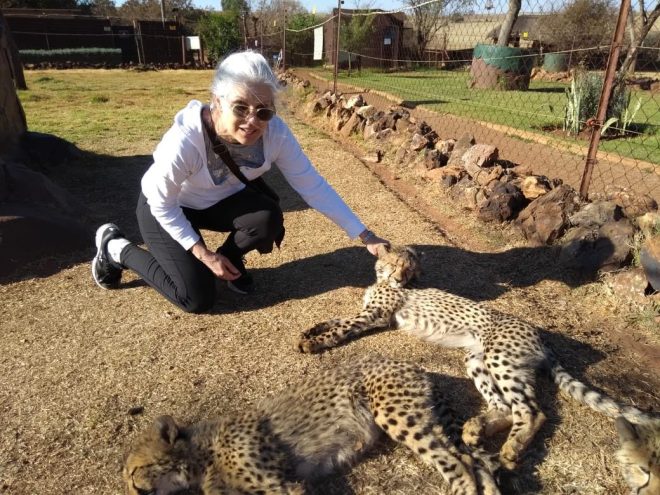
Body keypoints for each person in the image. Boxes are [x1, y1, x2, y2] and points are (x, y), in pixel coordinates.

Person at [91, 50, 388, 314]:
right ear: (217, 101)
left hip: (217, 201)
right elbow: (162, 202)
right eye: (240, 107)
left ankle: (230, 262)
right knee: (196, 298)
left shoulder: (276, 134)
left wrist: (365, 235)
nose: (252, 121)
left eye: (263, 111)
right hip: (167, 207)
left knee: (266, 217)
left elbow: (311, 184)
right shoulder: (186, 139)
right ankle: (116, 249)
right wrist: (203, 254)